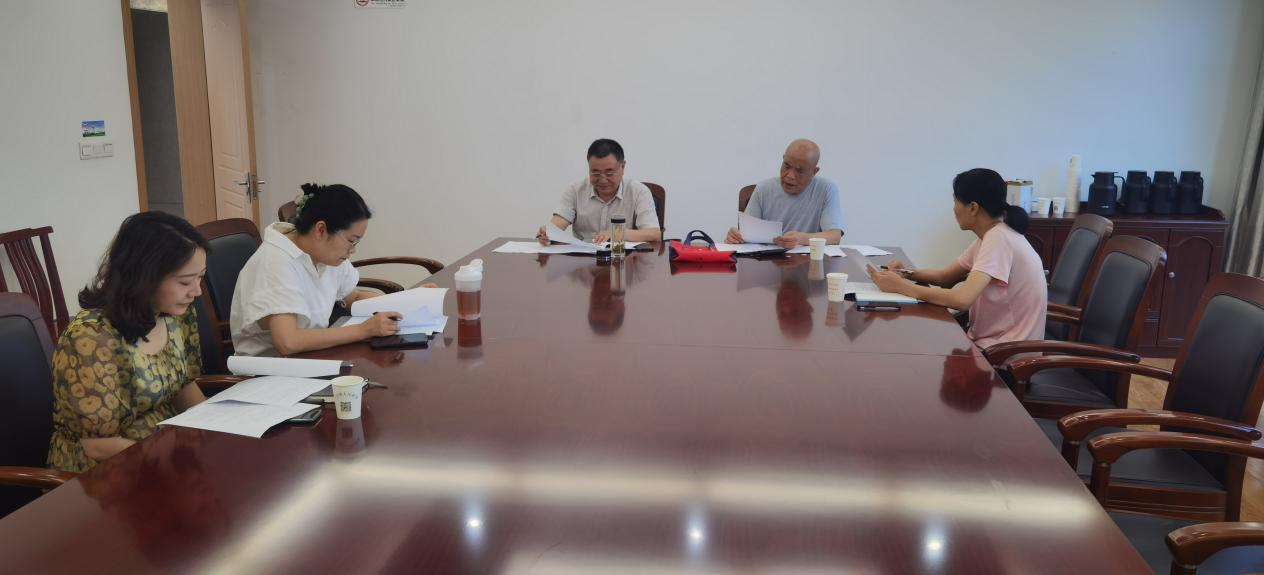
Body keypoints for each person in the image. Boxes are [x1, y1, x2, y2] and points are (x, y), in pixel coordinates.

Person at [48, 212, 211, 472]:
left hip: (167, 449)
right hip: (106, 471)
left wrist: (217, 431)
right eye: (184, 281)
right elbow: (97, 446)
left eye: (200, 277)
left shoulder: (176, 314)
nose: (197, 291)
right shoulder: (91, 339)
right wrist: (170, 463)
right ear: (145, 276)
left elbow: (183, 386)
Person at [867, 168, 1046, 350]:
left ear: (973, 208)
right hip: (992, 344)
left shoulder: (999, 239)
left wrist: (901, 287)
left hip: (1005, 354)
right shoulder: (991, 236)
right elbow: (945, 277)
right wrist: (905, 273)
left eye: (955, 201)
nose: (954, 209)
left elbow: (962, 299)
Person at [230, 183, 402, 356]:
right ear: (321, 230)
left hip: (311, 356)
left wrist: (402, 304)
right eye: (351, 241)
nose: (353, 250)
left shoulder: (324, 254)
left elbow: (353, 297)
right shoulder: (275, 262)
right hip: (271, 367)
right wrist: (364, 330)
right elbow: (288, 342)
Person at [537, 139, 661, 244]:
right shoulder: (575, 190)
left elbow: (654, 234)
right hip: (583, 260)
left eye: (609, 173)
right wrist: (548, 233)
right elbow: (558, 224)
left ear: (623, 167)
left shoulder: (639, 192)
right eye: (595, 173)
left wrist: (617, 233)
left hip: (623, 259)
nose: (603, 180)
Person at [725, 139, 845, 248]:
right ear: (783, 159)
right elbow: (746, 234)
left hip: (808, 261)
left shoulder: (826, 189)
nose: (790, 176)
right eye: (787, 166)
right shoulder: (763, 189)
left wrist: (801, 239)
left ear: (814, 171)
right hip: (766, 260)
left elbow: (834, 236)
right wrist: (735, 237)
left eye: (799, 171)